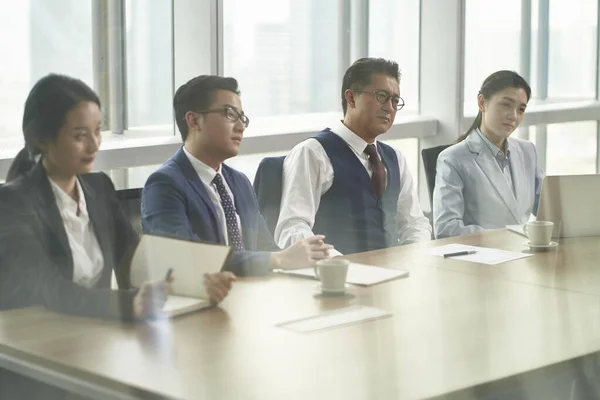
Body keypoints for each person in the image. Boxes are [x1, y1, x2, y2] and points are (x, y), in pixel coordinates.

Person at [0, 74, 235, 320]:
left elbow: (135, 258)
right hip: (33, 339)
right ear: (42, 140)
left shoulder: (98, 188)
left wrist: (198, 282)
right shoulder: (12, 203)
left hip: (94, 332)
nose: (94, 146)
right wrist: (128, 304)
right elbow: (49, 289)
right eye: (80, 136)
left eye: (97, 131)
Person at [141, 75, 332, 276]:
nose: (240, 127)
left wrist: (302, 255)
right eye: (230, 114)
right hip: (205, 300)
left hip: (252, 295)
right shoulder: (164, 184)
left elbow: (265, 247)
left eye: (242, 118)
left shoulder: (239, 182)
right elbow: (186, 258)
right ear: (194, 120)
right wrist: (280, 259)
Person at [274, 57, 431, 255]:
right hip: (339, 275)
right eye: (381, 96)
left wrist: (415, 257)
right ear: (350, 98)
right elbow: (292, 228)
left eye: (395, 100)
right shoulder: (313, 153)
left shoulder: (395, 158)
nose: (389, 107)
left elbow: (414, 223)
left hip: (395, 274)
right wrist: (335, 263)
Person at [433, 70, 543, 238]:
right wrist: (504, 238)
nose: (513, 116)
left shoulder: (528, 151)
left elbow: (549, 209)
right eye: (506, 104)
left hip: (523, 254)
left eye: (520, 109)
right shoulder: (453, 158)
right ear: (482, 102)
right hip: (482, 257)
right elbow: (446, 228)